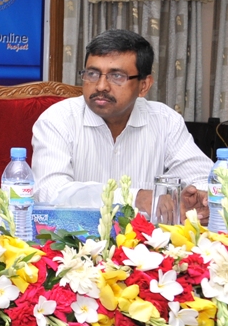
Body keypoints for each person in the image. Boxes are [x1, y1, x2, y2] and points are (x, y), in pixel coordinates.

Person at [32, 28, 212, 216]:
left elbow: (205, 178)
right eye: (92, 74)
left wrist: (200, 199)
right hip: (78, 234)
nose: (101, 86)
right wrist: (134, 198)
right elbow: (49, 191)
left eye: (117, 76)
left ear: (144, 86)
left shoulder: (165, 121)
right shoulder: (57, 120)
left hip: (148, 235)